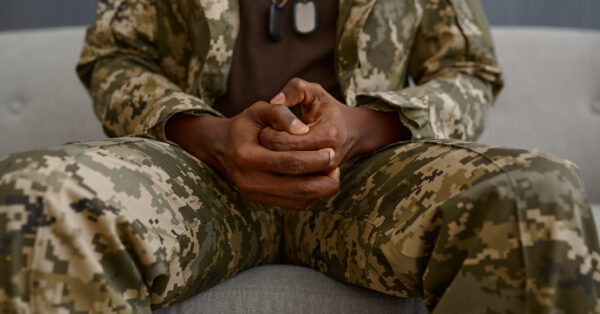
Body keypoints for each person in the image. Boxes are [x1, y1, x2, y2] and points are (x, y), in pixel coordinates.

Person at [0, 0, 598, 313]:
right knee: (38, 195)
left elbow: (468, 70)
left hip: (370, 177)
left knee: (534, 195)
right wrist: (208, 133)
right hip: (196, 172)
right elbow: (114, 56)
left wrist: (365, 126)